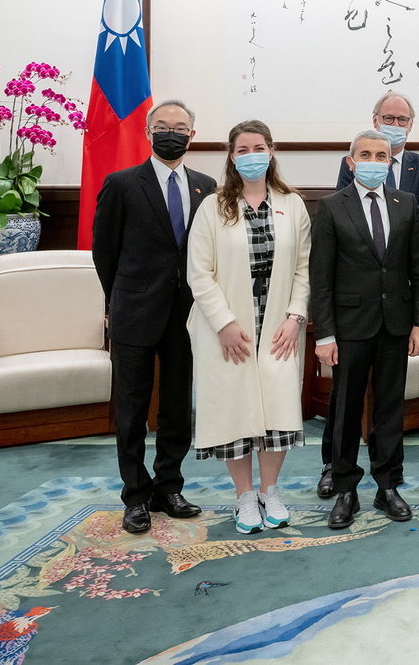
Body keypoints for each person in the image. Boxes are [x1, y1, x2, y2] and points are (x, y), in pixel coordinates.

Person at [92, 99, 217, 534]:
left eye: (180, 128)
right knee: (132, 408)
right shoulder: (122, 184)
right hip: (134, 310)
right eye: (162, 126)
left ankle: (169, 487)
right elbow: (104, 252)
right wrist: (118, 300)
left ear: (192, 135)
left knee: (178, 407)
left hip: (187, 314)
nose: (171, 133)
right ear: (148, 132)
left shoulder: (206, 186)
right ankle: (135, 496)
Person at [186, 120, 311, 535]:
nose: (252, 155)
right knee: (233, 408)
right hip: (228, 325)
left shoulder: (292, 204)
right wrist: (223, 323)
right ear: (232, 156)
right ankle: (244, 496)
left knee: (277, 408)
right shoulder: (213, 206)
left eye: (259, 147)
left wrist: (295, 317)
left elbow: (304, 269)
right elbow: (199, 273)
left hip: (279, 324)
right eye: (243, 149)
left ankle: (270, 491)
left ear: (271, 151)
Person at [318, 90, 419, 499]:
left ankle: (388, 485)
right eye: (365, 155)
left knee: (390, 408)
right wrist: (324, 333)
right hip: (350, 323)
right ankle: (344, 486)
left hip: (396, 323)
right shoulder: (332, 206)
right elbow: (322, 276)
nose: (373, 162)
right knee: (346, 408)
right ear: (351, 163)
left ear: (391, 162)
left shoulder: (408, 203)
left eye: (381, 156)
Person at [332, 90, 419, 209]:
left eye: (402, 119)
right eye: (388, 118)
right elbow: (342, 207)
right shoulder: (355, 163)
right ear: (375, 121)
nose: (395, 125)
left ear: (410, 125)